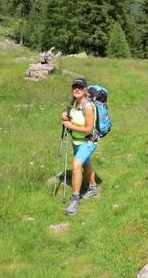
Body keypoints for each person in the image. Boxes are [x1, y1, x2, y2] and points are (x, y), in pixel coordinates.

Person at [61, 77, 99, 215]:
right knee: (86, 164)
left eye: (80, 87)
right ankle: (93, 188)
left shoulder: (88, 106)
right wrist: (66, 117)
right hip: (76, 141)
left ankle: (75, 200)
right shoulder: (73, 104)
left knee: (76, 165)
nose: (76, 89)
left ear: (85, 90)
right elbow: (73, 120)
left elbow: (88, 129)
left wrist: (70, 125)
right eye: (74, 87)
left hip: (88, 142)